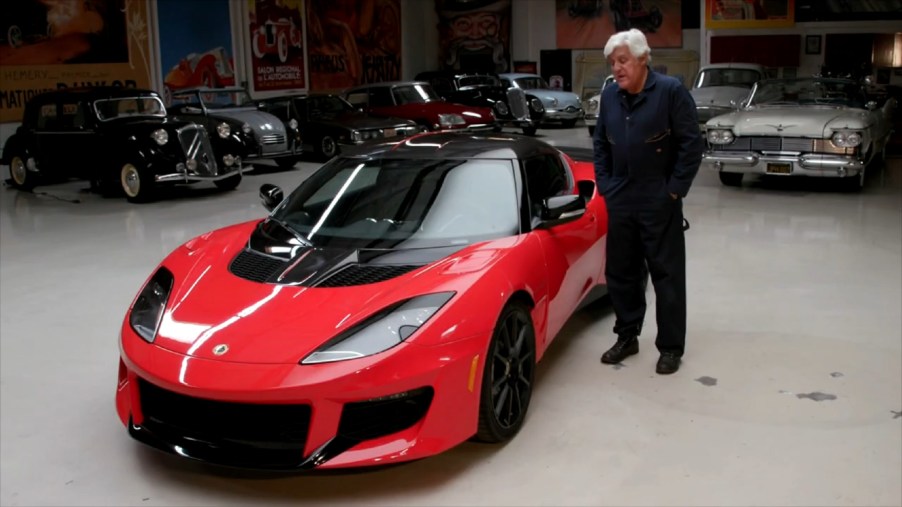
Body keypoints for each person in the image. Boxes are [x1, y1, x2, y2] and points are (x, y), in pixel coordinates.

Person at [592, 29, 704, 374]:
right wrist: (607, 185)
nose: (617, 68)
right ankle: (627, 335)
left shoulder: (670, 92)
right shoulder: (610, 95)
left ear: (642, 59)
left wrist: (673, 191)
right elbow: (600, 144)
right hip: (621, 197)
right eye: (612, 62)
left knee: (666, 275)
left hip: (659, 198)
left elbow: (691, 145)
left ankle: (670, 347)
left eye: (623, 60)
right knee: (621, 273)